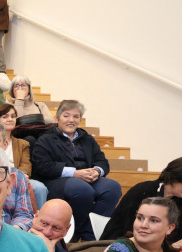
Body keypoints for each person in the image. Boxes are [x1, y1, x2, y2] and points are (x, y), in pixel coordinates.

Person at [32, 99, 122, 241]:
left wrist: (97, 171)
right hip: (58, 180)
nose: (71, 120)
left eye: (76, 116)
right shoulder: (46, 139)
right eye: (66, 116)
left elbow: (102, 161)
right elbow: (43, 166)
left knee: (112, 188)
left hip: (88, 178)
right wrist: (74, 173)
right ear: (58, 118)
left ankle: (90, 236)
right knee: (82, 189)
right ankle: (74, 235)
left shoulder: (87, 139)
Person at [103, 157, 182, 247]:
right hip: (121, 246)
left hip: (158, 248)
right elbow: (131, 231)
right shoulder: (142, 191)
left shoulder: (179, 199)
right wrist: (172, 247)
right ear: (171, 179)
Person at [0, 103, 49, 209]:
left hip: (17, 177)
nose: (10, 119)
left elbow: (26, 166)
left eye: (13, 116)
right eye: (5, 117)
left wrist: (19, 175)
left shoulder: (23, 143)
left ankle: (40, 222)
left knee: (39, 187)